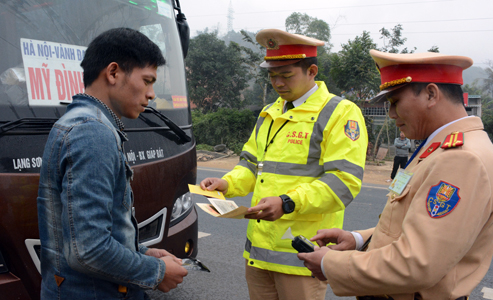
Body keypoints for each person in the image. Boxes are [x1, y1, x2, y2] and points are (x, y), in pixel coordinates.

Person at [297, 50, 493, 300]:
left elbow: (418, 262)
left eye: (395, 103)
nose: (391, 114)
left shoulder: (461, 158)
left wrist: (331, 264)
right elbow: (419, 227)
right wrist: (359, 239)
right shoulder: (443, 145)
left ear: (431, 94)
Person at [200, 28, 368, 300]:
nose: (278, 83)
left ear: (312, 71)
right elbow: (251, 165)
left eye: (286, 75)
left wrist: (287, 202)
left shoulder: (339, 113)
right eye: (272, 75)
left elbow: (343, 182)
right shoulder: (269, 113)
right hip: (258, 253)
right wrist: (226, 184)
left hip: (301, 256)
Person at [37, 28, 188, 299]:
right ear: (114, 72)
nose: (152, 94)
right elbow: (88, 250)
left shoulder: (77, 122)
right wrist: (155, 271)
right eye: (147, 80)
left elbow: (81, 235)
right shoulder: (92, 132)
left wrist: (140, 252)